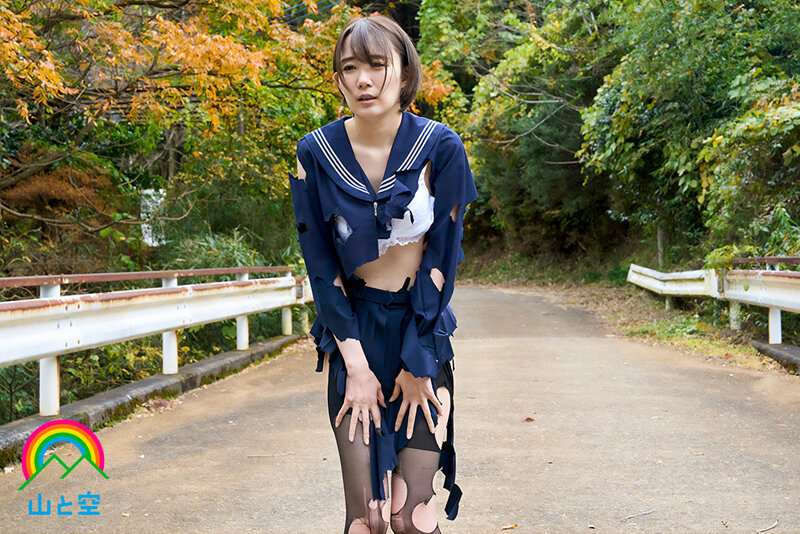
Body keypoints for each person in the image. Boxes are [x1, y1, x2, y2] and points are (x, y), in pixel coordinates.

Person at [288, 14, 477, 534]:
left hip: (421, 331)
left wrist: (418, 364)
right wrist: (356, 365)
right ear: (338, 79)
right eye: (350, 68)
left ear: (405, 72)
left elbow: (443, 261)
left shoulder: (440, 147)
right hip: (353, 332)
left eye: (377, 65)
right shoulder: (315, 153)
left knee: (409, 519)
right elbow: (320, 265)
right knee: (366, 520)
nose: (364, 80)